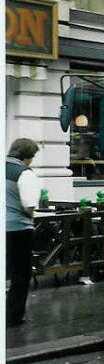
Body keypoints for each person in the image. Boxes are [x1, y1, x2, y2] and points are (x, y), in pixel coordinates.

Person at [6, 138, 41, 327]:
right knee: (20, 274)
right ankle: (13, 316)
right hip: (17, 229)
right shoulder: (25, 174)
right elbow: (29, 206)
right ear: (28, 157)